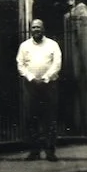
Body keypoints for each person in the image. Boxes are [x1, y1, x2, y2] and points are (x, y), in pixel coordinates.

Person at [16, 18, 61, 161]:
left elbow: (57, 63)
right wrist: (31, 78)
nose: (36, 30)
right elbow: (20, 64)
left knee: (50, 119)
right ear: (31, 29)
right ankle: (34, 151)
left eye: (39, 27)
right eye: (34, 27)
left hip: (49, 86)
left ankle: (50, 151)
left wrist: (46, 78)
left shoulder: (53, 45)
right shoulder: (24, 46)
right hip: (31, 86)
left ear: (44, 29)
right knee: (31, 118)